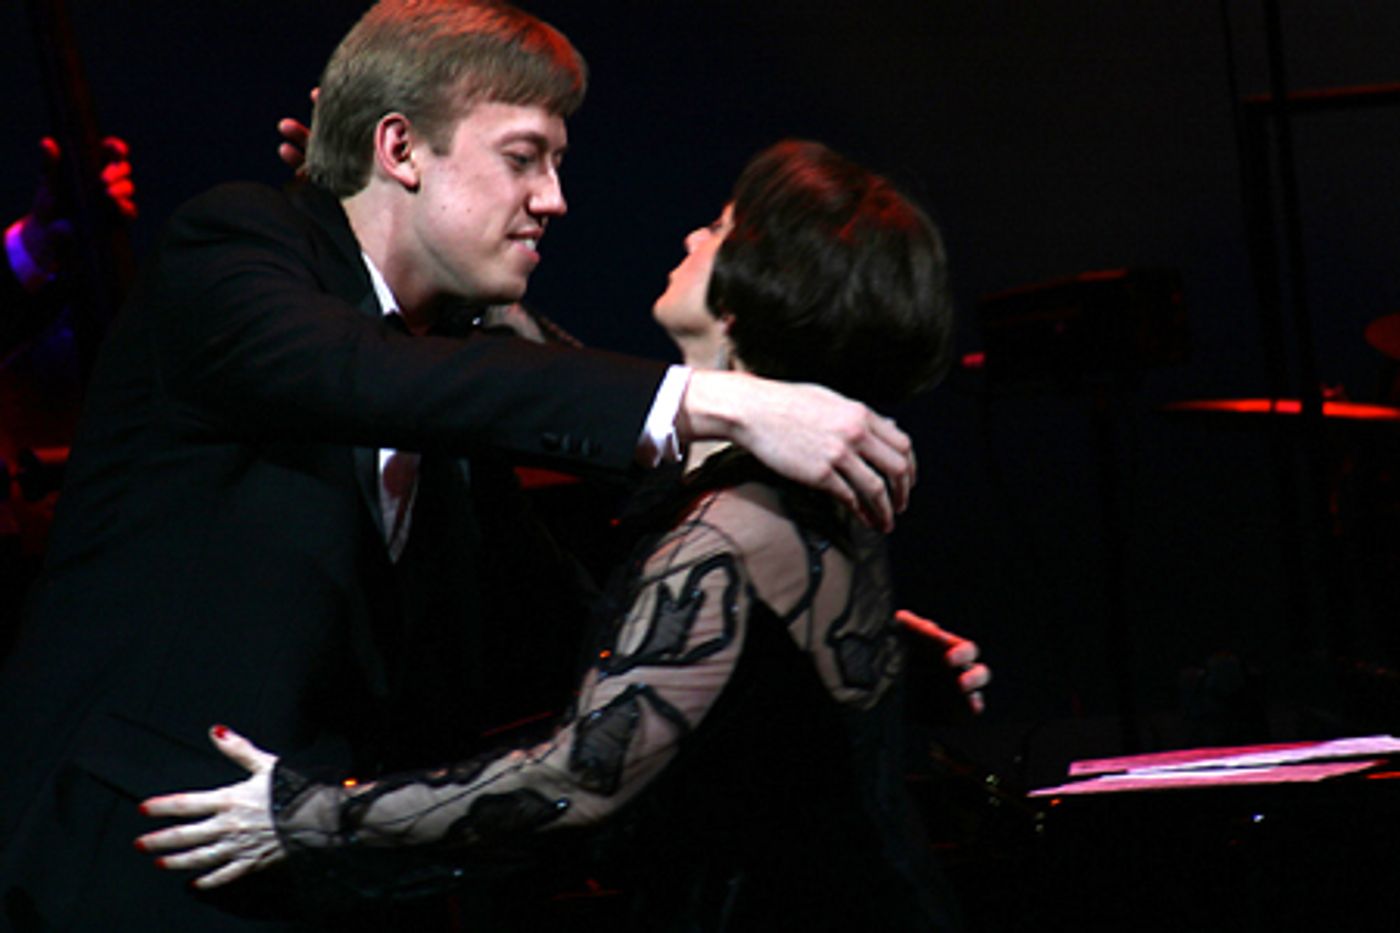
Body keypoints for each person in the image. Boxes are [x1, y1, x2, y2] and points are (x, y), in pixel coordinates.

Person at [0, 4, 917, 931]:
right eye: (523, 159)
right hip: (125, 866)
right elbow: (359, 371)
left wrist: (827, 637)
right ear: (401, 148)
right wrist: (715, 400)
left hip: (302, 885)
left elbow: (575, 630)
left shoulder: (446, 372)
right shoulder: (236, 245)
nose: (554, 199)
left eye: (555, 163)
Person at [138, 139, 971, 931]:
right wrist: (388, 195)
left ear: (753, 292)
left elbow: (582, 777)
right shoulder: (749, 486)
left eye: (719, 229)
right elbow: (537, 363)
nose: (693, 235)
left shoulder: (734, 524)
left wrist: (309, 815)